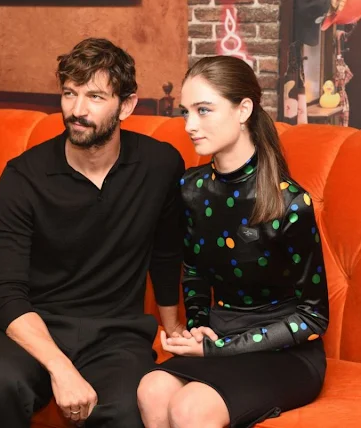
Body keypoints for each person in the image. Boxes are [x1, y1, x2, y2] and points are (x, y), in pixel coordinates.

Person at [0, 38, 186, 428]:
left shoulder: (159, 165)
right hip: (35, 326)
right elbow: (5, 294)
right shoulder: (23, 177)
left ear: (126, 105)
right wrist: (61, 368)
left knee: (130, 412)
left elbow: (165, 254)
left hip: (117, 334)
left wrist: (173, 327)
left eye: (95, 96)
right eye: (69, 93)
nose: (77, 110)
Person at [137, 55, 330, 428]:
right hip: (219, 333)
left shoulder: (291, 202)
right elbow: (194, 269)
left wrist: (217, 348)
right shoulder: (191, 188)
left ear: (243, 110)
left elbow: (313, 317)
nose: (190, 125)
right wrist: (198, 326)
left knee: (190, 408)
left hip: (285, 350)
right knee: (151, 389)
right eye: (186, 112)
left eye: (203, 110)